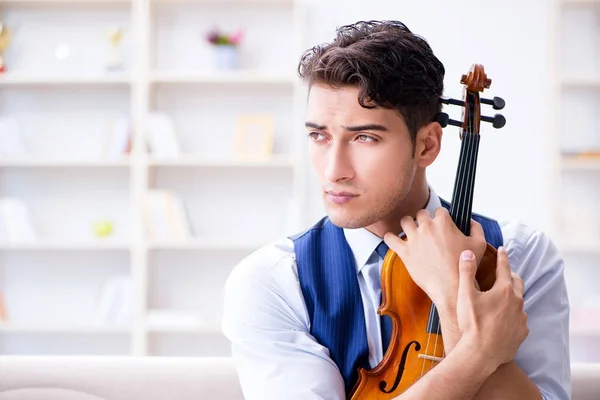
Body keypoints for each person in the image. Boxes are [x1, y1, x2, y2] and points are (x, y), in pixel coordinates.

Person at [221, 20, 570, 400]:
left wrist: (455, 291)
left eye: (364, 137)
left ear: (427, 146)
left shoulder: (519, 254)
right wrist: (473, 341)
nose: (333, 171)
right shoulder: (273, 281)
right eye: (319, 135)